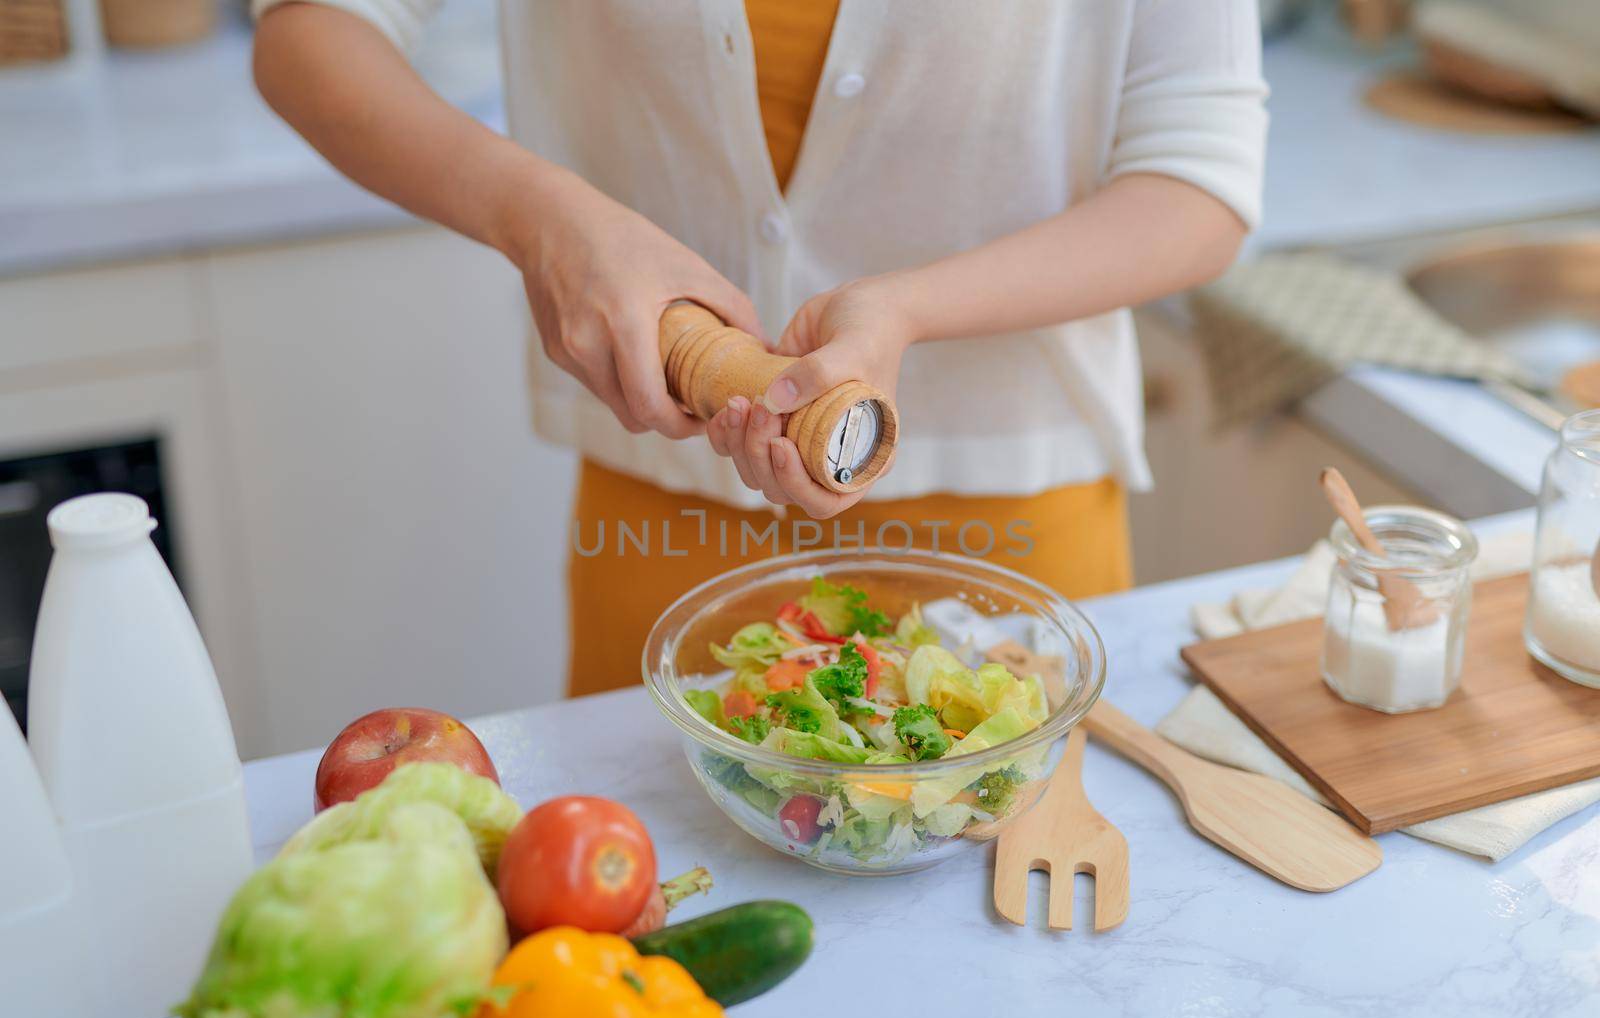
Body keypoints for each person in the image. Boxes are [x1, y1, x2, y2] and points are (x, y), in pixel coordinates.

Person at [252, 1, 1267, 695]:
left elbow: (1199, 181)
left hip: (1006, 542)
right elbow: (309, 33)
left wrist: (907, 309)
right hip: (664, 535)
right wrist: (545, 218)